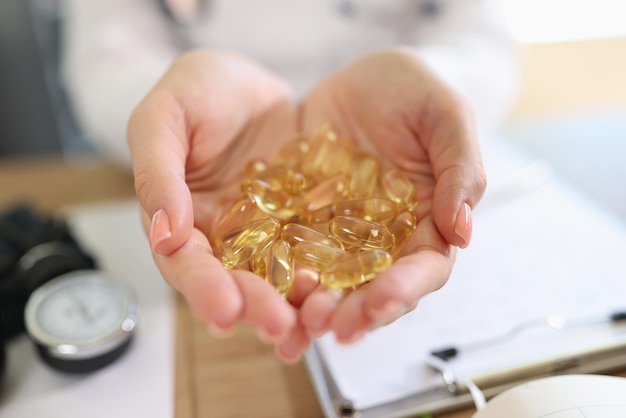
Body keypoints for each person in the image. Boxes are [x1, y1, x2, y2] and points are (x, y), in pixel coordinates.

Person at [60, 0, 519, 362]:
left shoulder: (360, 199)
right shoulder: (269, 205)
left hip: (398, 145)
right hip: (224, 140)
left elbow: (484, 36)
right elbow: (108, 52)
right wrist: (161, 109)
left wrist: (442, 81)